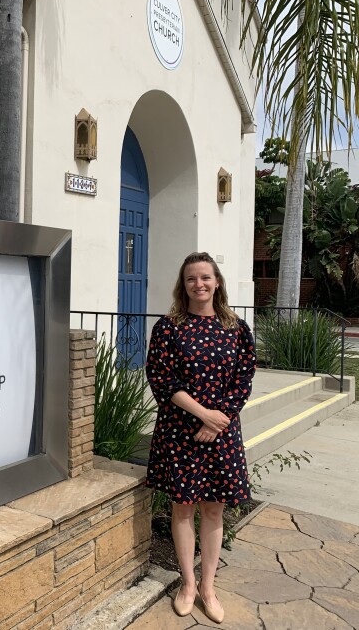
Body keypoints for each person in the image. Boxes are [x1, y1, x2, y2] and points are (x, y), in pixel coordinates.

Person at [145, 252, 256, 624]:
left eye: (206, 277)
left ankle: (208, 587)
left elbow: (244, 378)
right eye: (192, 279)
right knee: (183, 507)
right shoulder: (169, 327)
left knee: (213, 508)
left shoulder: (236, 328)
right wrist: (202, 414)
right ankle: (187, 584)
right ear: (183, 285)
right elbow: (161, 379)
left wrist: (217, 421)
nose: (200, 284)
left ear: (217, 282)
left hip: (221, 433)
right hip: (180, 431)